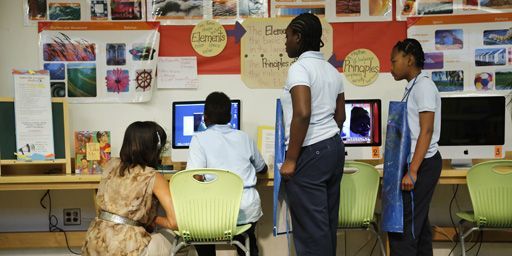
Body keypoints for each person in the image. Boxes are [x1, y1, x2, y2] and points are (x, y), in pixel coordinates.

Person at [280, 13, 345, 256]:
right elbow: (340, 117)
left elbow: (303, 113)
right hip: (333, 148)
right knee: (325, 226)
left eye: (287, 37)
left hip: (310, 153)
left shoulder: (299, 68)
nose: (285, 43)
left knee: (310, 233)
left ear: (298, 37)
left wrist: (292, 159)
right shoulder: (332, 70)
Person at [82, 121, 184, 256]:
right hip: (126, 247)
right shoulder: (153, 176)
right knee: (179, 241)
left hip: (94, 242)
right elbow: (174, 222)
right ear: (155, 149)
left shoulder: (110, 165)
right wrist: (151, 218)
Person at [187, 92, 268, 256]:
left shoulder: (198, 140)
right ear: (230, 117)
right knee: (247, 236)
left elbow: (193, 177)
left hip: (212, 215)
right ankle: (248, 250)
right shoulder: (245, 138)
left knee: (201, 232)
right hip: (245, 213)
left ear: (205, 118)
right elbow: (262, 168)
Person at [388, 38, 442, 256]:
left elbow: (426, 131)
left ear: (409, 60)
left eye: (394, 61)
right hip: (415, 163)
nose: (391, 67)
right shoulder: (413, 87)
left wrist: (412, 171)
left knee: (405, 230)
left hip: (422, 164)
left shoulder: (424, 87)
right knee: (418, 228)